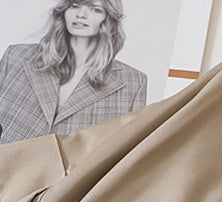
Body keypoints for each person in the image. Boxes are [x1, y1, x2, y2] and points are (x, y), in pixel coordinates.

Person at [0, 0, 147, 143]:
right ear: (64, 11)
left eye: (95, 9)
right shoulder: (17, 56)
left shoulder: (133, 82)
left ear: (109, 18)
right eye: (74, 6)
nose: (81, 15)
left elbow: (128, 149)